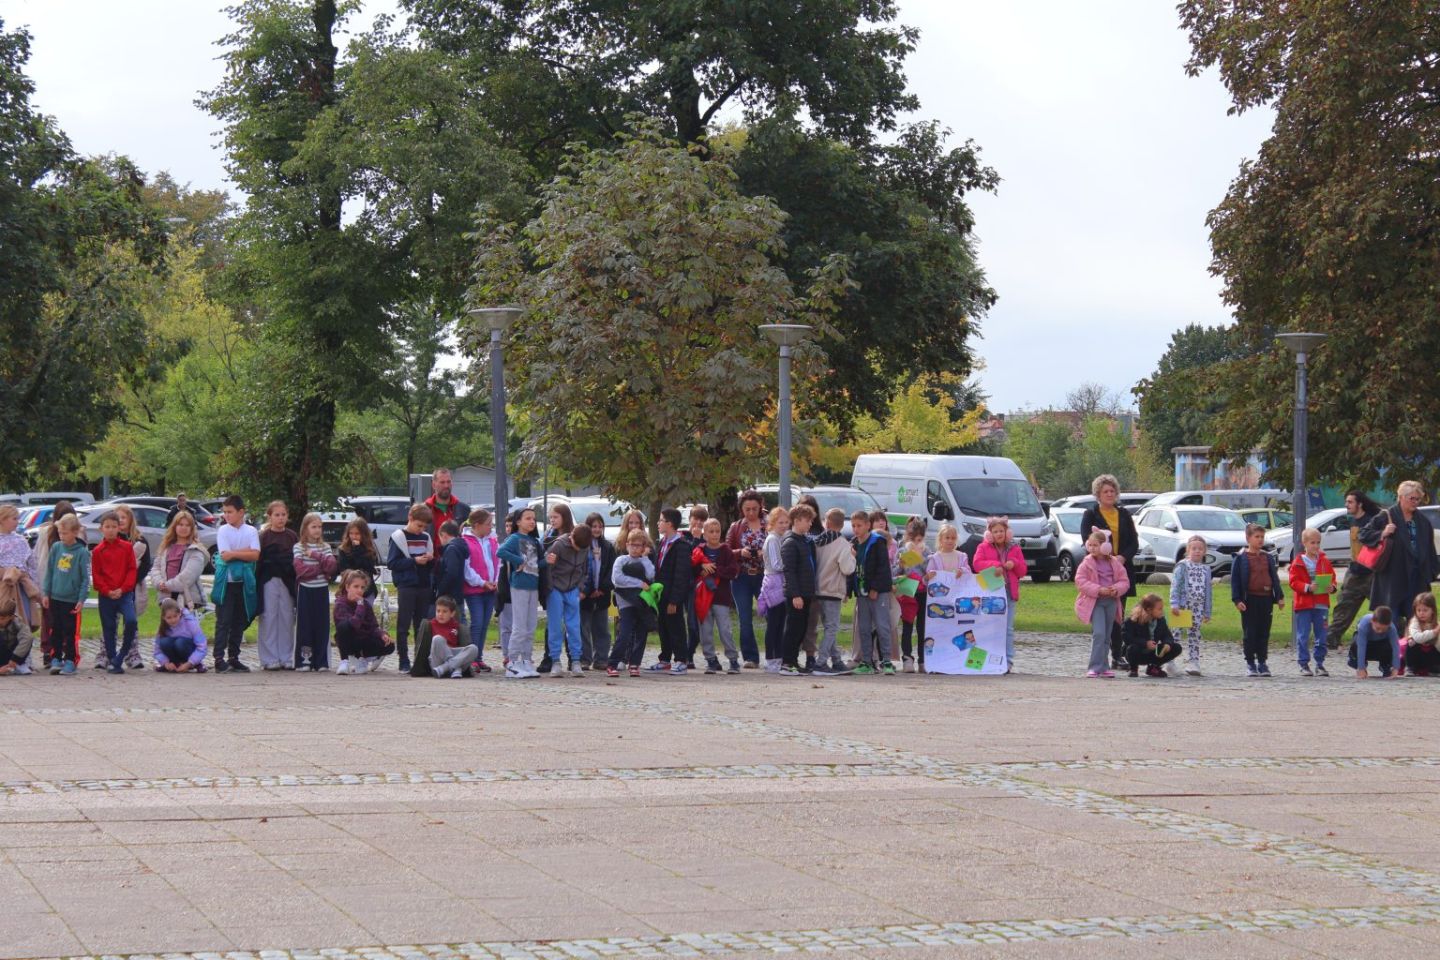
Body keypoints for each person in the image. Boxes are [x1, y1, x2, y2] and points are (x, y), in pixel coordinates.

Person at [1359, 480, 1439, 629]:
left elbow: (1429, 549)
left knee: (1416, 619)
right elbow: (1363, 534)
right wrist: (1383, 533)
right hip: (1392, 577)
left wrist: (1433, 572)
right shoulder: (1386, 516)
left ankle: (1411, 649)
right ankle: (1392, 650)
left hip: (1417, 576)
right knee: (1391, 618)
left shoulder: (1422, 521)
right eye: (1412, 498)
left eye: (1418, 499)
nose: (1415, 502)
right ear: (1401, 497)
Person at [1080, 475, 1140, 669]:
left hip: (1119, 570)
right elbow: (1086, 541)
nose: (1109, 494)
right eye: (1106, 491)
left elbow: (1133, 542)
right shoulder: (1090, 514)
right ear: (1098, 494)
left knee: (1118, 615)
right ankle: (1100, 657)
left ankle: (1117, 655)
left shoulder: (1123, 514)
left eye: (1112, 491)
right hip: (1098, 572)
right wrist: (1101, 555)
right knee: (1100, 619)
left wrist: (1122, 557)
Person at [211, 495, 260, 673]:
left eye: (230, 512)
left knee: (239, 620)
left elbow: (255, 555)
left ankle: (234, 657)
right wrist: (244, 553)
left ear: (241, 512)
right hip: (227, 582)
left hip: (243, 582)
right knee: (223, 620)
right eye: (224, 512)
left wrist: (235, 554)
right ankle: (218, 658)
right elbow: (225, 556)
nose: (226, 515)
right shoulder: (223, 530)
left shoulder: (251, 531)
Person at [972, 516, 1025, 674]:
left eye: (1001, 531)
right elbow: (976, 564)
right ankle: (987, 658)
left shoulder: (1015, 548)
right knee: (988, 627)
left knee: (1008, 629)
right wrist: (995, 565)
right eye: (995, 531)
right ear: (989, 534)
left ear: (1007, 532)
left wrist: (1014, 563)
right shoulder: (983, 547)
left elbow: (1023, 571)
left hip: (1009, 592)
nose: (999, 534)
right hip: (991, 594)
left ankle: (1007, 661)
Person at [386, 503, 435, 673]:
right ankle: (403, 659)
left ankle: (420, 659)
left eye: (424, 527)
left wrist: (430, 560)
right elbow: (392, 563)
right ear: (410, 519)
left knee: (421, 624)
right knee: (403, 623)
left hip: (423, 584)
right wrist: (414, 561)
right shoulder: (398, 537)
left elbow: (431, 565)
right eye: (418, 525)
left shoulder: (426, 538)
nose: (420, 530)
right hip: (406, 585)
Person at [1231, 522, 1284, 678]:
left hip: (1266, 599)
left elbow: (1274, 578)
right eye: (1257, 537)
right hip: (1249, 600)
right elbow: (1235, 581)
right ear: (1248, 538)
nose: (1260, 540)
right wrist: (1237, 600)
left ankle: (1262, 661)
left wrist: (1279, 596)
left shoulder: (1267, 557)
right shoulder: (1241, 558)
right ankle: (1250, 662)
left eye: (1262, 537)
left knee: (1264, 632)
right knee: (1250, 632)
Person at [1330, 490, 1382, 644]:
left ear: (1360, 504)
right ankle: (1331, 639)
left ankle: (1401, 636)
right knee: (1344, 606)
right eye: (1346, 502)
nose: (1347, 505)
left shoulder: (1372, 521)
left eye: (1350, 502)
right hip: (1355, 572)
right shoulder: (1353, 521)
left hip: (1372, 574)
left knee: (1383, 608)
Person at [497, 507, 545, 679]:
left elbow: (536, 564)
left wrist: (547, 561)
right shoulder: (515, 538)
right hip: (519, 586)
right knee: (519, 626)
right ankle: (512, 662)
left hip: (533, 585)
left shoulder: (534, 541)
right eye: (528, 518)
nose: (532, 521)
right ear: (518, 522)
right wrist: (518, 560)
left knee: (531, 625)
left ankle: (526, 660)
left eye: (533, 518)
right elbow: (500, 551)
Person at [1075, 530, 1129, 678]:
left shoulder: (1114, 563)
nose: (1092, 548)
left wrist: (1115, 589)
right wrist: (1099, 590)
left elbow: (1124, 581)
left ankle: (1104, 666)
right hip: (1095, 602)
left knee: (1107, 636)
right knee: (1099, 633)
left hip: (1111, 602)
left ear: (1105, 546)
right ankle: (1094, 667)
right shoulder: (1086, 563)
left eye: (1095, 545)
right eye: (1090, 545)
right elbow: (1080, 581)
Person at [30, 500, 77, 669]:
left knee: (67, 620)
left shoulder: (77, 535)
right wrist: (41, 586)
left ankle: (66, 651)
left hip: (68, 586)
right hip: (50, 583)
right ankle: (47, 651)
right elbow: (39, 559)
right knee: (49, 618)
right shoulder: (46, 534)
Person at [92, 512, 139, 675]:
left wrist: (123, 588)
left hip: (124, 593)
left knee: (131, 620)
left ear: (119, 528)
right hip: (106, 595)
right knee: (109, 628)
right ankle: (113, 659)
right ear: (101, 529)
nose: (111, 530)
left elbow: (132, 570)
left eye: (114, 527)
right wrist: (107, 590)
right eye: (107, 527)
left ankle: (123, 653)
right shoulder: (98, 551)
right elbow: (96, 575)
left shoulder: (126, 547)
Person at [42, 515, 89, 675]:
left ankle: (71, 660)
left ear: (75, 532)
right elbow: (49, 572)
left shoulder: (82, 552)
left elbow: (85, 578)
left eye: (65, 533)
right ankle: (56, 658)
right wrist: (46, 593)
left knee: (70, 632)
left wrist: (81, 598)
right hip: (55, 597)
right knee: (55, 629)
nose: (62, 536)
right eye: (60, 533)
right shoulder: (56, 548)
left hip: (71, 599)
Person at [692, 517, 740, 674]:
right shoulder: (699, 550)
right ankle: (711, 660)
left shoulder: (726, 551)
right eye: (711, 531)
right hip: (703, 597)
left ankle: (733, 659)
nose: (714, 534)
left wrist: (713, 569)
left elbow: (733, 571)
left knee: (725, 629)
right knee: (705, 630)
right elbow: (692, 569)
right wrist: (702, 568)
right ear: (704, 534)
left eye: (717, 531)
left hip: (721, 597)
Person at [726, 490, 767, 668]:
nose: (751, 513)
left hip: (764, 577)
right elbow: (726, 551)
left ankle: (774, 654)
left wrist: (763, 553)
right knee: (744, 618)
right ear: (741, 509)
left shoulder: (769, 525)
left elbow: (780, 545)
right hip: (741, 577)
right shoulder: (736, 527)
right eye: (747, 509)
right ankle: (751, 657)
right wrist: (739, 552)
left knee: (771, 615)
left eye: (754, 509)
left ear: (760, 507)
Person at [1288, 527, 1337, 677]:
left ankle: (1320, 663)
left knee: (1321, 635)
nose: (1316, 546)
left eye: (1318, 542)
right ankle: (1303, 663)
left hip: (1321, 603)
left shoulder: (1324, 561)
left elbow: (1333, 578)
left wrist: (1332, 587)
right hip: (1304, 604)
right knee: (1303, 635)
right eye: (1312, 543)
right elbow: (1293, 582)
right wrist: (1307, 587)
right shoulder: (1298, 562)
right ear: (1304, 543)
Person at [852, 509, 896, 675]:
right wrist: (850, 591)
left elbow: (883, 568)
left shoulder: (877, 541)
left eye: (859, 525)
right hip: (861, 593)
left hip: (877, 592)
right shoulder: (855, 543)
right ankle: (867, 662)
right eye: (854, 526)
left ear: (868, 525)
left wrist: (875, 588)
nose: (856, 529)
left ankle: (886, 661)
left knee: (882, 625)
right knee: (864, 627)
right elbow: (853, 569)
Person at [813, 507, 856, 677]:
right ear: (841, 524)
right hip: (832, 590)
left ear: (827, 522)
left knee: (828, 626)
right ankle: (821, 662)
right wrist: (852, 556)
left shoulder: (817, 541)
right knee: (832, 628)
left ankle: (837, 661)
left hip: (818, 589)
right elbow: (847, 568)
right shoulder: (842, 544)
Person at [293, 512, 338, 671]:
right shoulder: (298, 547)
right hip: (306, 590)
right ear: (305, 528)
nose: (317, 530)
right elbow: (300, 570)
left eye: (319, 527)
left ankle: (321, 661)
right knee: (305, 626)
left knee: (321, 625)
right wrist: (320, 569)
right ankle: (304, 660)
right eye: (313, 527)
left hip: (321, 590)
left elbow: (332, 566)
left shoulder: (325, 547)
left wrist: (315, 555)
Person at [651, 508, 694, 674]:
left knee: (676, 627)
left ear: (669, 524)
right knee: (663, 627)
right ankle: (665, 658)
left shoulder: (681, 545)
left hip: (672, 596)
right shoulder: (662, 542)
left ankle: (681, 659)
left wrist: (675, 600)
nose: (658, 523)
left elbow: (681, 575)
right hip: (661, 594)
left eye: (661, 520)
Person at [256, 501, 298, 671]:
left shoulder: (292, 536)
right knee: (269, 617)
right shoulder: (263, 536)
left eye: (283, 515)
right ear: (270, 517)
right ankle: (269, 658)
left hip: (287, 579)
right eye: (277, 515)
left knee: (287, 617)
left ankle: (287, 656)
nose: (280, 518)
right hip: (269, 579)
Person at [608, 529, 655, 677]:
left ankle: (635, 663)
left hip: (641, 603)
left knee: (641, 633)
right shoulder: (621, 560)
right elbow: (618, 580)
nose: (635, 548)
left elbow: (651, 575)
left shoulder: (644, 561)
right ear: (627, 545)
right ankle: (613, 663)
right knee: (625, 633)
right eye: (632, 545)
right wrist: (638, 583)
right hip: (626, 603)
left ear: (643, 547)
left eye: (638, 545)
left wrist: (645, 557)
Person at [778, 504, 819, 676]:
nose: (810, 524)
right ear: (797, 520)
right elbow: (789, 571)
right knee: (793, 628)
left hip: (807, 592)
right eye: (807, 520)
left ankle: (794, 660)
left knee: (801, 628)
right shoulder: (790, 542)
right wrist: (795, 594)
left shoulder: (805, 541)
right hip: (797, 594)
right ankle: (787, 662)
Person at [536, 503, 576, 675]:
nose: (552, 520)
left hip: (568, 584)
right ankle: (550, 657)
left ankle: (573, 657)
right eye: (550, 517)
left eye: (556, 517)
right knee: (552, 623)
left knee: (571, 624)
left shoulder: (573, 536)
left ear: (564, 518)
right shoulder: (547, 535)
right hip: (551, 584)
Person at [110, 504, 151, 669]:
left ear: (130, 520)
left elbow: (145, 565)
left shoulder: (139, 541)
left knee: (131, 622)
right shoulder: (111, 540)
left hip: (131, 588)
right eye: (117, 518)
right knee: (111, 621)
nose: (120, 521)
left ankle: (132, 654)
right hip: (113, 587)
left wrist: (130, 581)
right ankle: (107, 653)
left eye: (123, 518)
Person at [332, 570, 395, 674]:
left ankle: (363, 659)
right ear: (348, 587)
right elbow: (354, 624)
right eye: (356, 587)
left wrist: (382, 634)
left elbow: (373, 626)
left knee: (389, 645)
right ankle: (345, 662)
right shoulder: (341, 604)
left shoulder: (365, 604)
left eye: (362, 587)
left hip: (364, 639)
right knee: (344, 627)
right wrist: (360, 605)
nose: (359, 590)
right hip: (349, 640)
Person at [460, 509, 499, 672]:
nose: (491, 527)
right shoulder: (466, 541)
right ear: (477, 525)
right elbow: (467, 568)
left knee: (484, 624)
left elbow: (497, 562)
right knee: (476, 622)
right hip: (474, 589)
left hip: (490, 588)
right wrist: (482, 582)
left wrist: (495, 581)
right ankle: (471, 657)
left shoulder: (492, 540)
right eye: (488, 524)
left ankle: (479, 657)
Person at [1168, 536, 1213, 676]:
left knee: (1194, 634)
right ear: (1188, 550)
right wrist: (1174, 603)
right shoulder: (1182, 566)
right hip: (1182, 606)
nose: (1197, 551)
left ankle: (1194, 661)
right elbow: (1175, 585)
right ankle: (1169, 661)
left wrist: (1207, 611)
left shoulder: (1206, 569)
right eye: (1194, 548)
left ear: (1204, 551)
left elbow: (1208, 591)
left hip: (1197, 607)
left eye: (1200, 549)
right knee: (1176, 633)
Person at [892, 518, 932, 673]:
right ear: (908, 538)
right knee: (907, 626)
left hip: (922, 592)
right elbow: (895, 572)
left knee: (922, 627)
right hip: (908, 593)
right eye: (913, 539)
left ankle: (923, 660)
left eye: (920, 540)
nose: (916, 543)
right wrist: (900, 566)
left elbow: (929, 570)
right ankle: (907, 659)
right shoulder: (902, 551)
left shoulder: (927, 551)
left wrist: (921, 557)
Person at [151, 510, 208, 613]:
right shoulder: (166, 547)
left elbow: (187, 577)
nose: (184, 528)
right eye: (180, 524)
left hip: (187, 600)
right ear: (174, 526)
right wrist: (159, 583)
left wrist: (167, 586)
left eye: (187, 525)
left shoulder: (195, 551)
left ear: (192, 528)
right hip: (166, 599)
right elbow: (156, 568)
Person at [579, 512, 616, 671]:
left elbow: (611, 569)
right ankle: (584, 659)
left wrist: (602, 588)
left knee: (602, 629)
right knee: (583, 628)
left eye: (600, 526)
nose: (597, 529)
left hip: (602, 594)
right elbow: (581, 570)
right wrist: (587, 590)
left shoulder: (607, 547)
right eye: (594, 526)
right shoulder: (582, 546)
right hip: (584, 595)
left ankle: (601, 658)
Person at [756, 506, 790, 673]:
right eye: (780, 522)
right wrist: (792, 567)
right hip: (774, 583)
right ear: (773, 523)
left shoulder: (781, 537)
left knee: (780, 623)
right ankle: (771, 658)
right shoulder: (773, 539)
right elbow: (776, 564)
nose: (784, 525)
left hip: (781, 582)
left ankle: (778, 656)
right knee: (774, 623)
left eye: (786, 522)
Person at [413, 595, 479, 678]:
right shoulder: (430, 624)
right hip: (437, 659)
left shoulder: (457, 625)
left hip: (451, 655)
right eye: (438, 611)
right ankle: (455, 668)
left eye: (444, 611)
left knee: (473, 648)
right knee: (437, 639)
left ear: (452, 613)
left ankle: (445, 668)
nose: (440, 614)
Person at [0, 504, 40, 636]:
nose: (17, 522)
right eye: (14, 518)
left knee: (23, 622)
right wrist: (6, 572)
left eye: (17, 518)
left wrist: (33, 583)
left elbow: (31, 563)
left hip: (21, 588)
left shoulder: (20, 540)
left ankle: (23, 653)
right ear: (2, 519)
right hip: (3, 587)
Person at [1121, 593, 1181, 677]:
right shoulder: (1132, 620)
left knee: (1176, 647)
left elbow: (1167, 635)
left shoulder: (1161, 620)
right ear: (1149, 610)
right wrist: (1145, 643)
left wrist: (1167, 644)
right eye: (1159, 609)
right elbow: (1127, 637)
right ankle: (1133, 668)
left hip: (1153, 652)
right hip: (1137, 652)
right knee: (1132, 648)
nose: (1162, 611)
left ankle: (1154, 668)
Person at [152, 598, 208, 673]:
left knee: (180, 643)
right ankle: (176, 664)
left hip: (188, 651)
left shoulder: (191, 623)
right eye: (169, 618)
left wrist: (189, 663)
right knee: (164, 642)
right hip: (174, 657)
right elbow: (157, 651)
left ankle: (196, 664)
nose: (173, 620)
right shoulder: (162, 628)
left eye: (175, 616)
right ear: (163, 617)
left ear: (180, 613)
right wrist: (166, 663)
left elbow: (202, 646)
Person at [424, 467, 470, 551]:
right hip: (431, 562)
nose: (446, 485)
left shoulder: (464, 509)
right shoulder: (424, 510)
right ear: (434, 485)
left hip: (456, 561)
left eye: (448, 482)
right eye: (442, 482)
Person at [433, 520, 471, 618]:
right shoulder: (460, 547)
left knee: (457, 622)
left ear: (444, 535)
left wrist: (440, 590)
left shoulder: (451, 549)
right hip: (457, 593)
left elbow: (451, 572)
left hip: (450, 594)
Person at [1350, 606, 1400, 679]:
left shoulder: (1392, 628)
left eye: (1383, 629)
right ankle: (1358, 664)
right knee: (1356, 642)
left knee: (1389, 646)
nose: (1380, 631)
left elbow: (1396, 647)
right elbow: (1361, 646)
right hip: (1366, 645)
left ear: (1388, 625)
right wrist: (1361, 668)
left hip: (1381, 645)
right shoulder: (1364, 625)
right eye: (1378, 628)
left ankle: (1386, 666)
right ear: (1372, 621)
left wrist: (1396, 668)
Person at [336, 518, 380, 599]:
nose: (354, 536)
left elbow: (369, 567)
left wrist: (358, 550)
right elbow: (343, 569)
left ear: (364, 534)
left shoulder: (369, 549)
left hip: (367, 590)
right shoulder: (343, 549)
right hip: (349, 590)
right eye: (351, 533)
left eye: (357, 534)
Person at [1405, 592, 1440, 677]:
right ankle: (1410, 667)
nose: (1421, 613)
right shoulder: (1415, 622)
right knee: (1412, 643)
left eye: (1425, 610)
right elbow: (1418, 638)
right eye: (1419, 610)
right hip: (1417, 654)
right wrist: (1434, 632)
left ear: (1432, 610)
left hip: (1430, 655)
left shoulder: (1436, 623)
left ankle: (1434, 668)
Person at [0, 602, 34, 676]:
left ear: (11, 617)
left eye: (3, 618)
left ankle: (18, 665)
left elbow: (28, 638)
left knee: (28, 637)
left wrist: (15, 659)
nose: (0, 621)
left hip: (13, 657)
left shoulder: (18, 624)